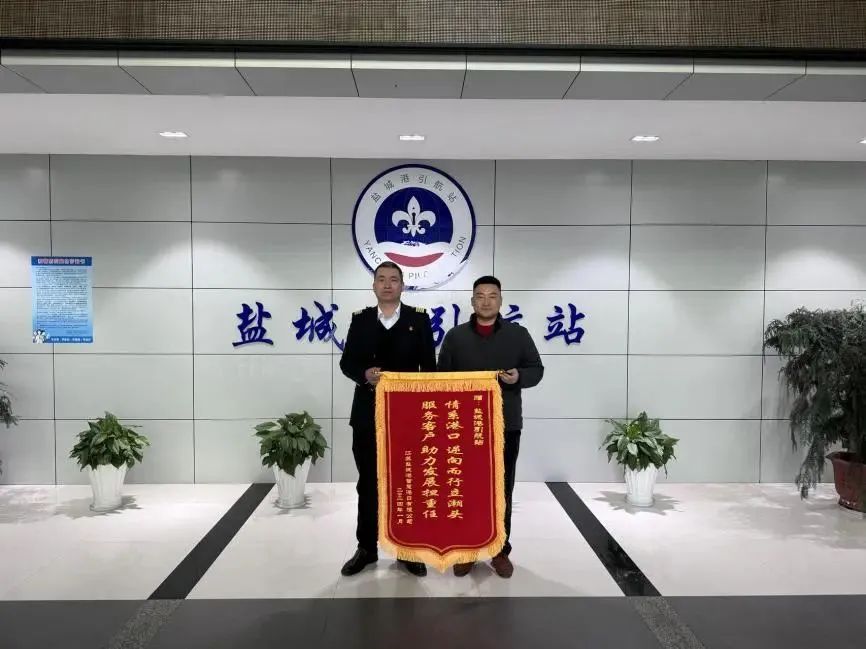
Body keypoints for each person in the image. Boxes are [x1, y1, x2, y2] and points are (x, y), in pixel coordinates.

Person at [437, 275, 544, 578]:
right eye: (480, 296)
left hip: (505, 425)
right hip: (463, 427)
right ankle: (467, 549)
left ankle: (499, 550)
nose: (486, 301)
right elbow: (441, 377)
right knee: (465, 489)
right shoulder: (455, 337)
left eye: (492, 295)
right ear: (472, 301)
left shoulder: (517, 335)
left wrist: (519, 377)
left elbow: (536, 369)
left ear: (500, 300)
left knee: (502, 489)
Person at [339, 261, 436, 577]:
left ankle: (408, 549)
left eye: (394, 279)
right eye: (381, 279)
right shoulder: (361, 320)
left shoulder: (418, 320)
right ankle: (366, 548)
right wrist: (363, 374)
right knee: (368, 483)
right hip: (367, 415)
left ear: (402, 286)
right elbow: (347, 363)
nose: (387, 284)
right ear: (374, 286)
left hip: (407, 417)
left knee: (407, 482)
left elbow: (429, 370)